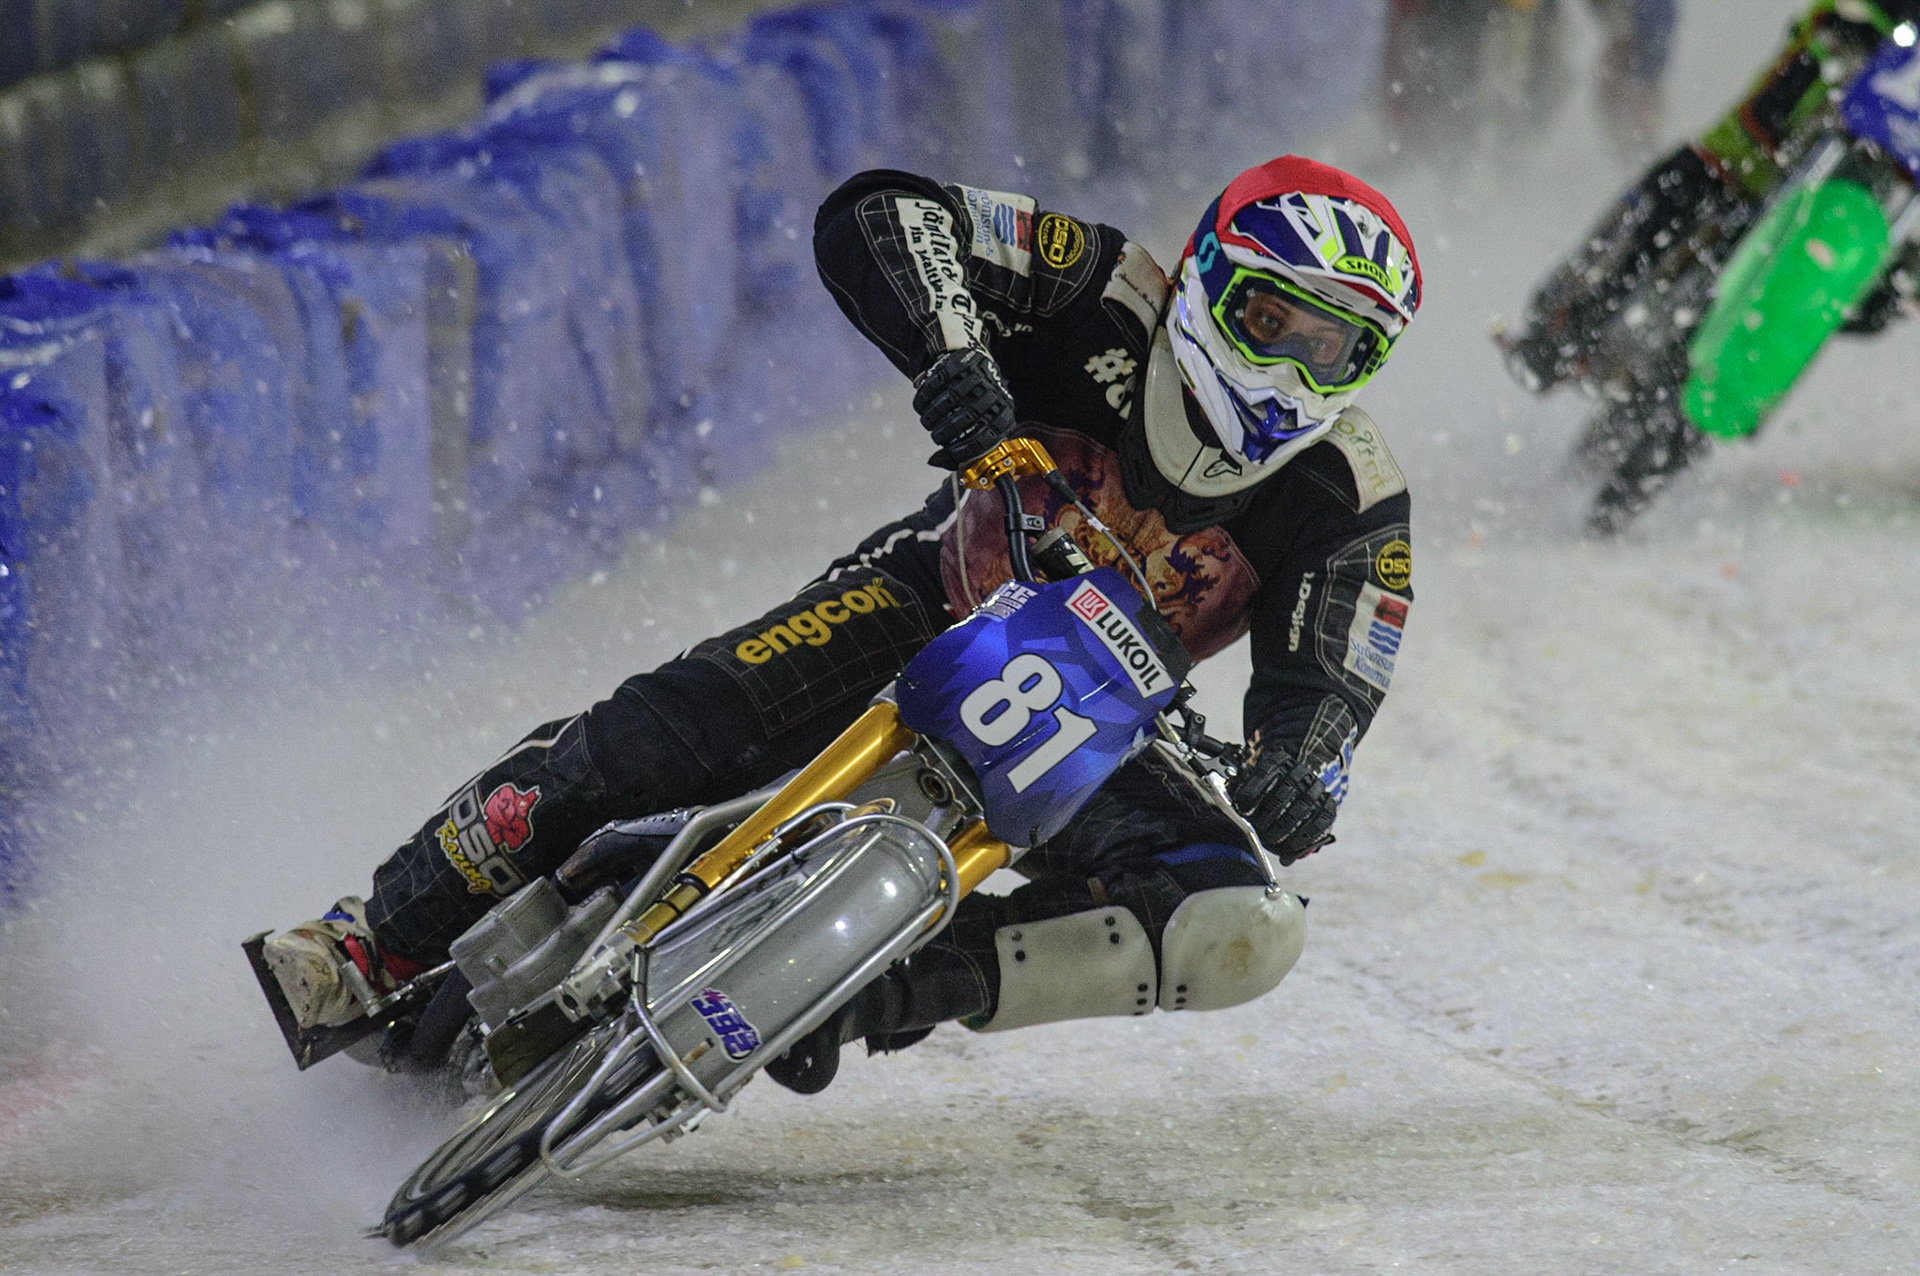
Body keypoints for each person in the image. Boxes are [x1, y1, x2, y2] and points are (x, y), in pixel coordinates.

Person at [261, 155, 1422, 1092]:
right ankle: (374, 935)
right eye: (1274, 318)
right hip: (932, 598)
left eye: (1337, 347)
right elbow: (883, 211)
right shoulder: (1104, 287)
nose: (1293, 367)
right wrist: (952, 359)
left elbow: (1332, 678)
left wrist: (1304, 766)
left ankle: (876, 985)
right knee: (656, 735)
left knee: (1241, 921)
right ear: (1209, 278)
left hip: (1109, 725)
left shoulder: (1352, 493)